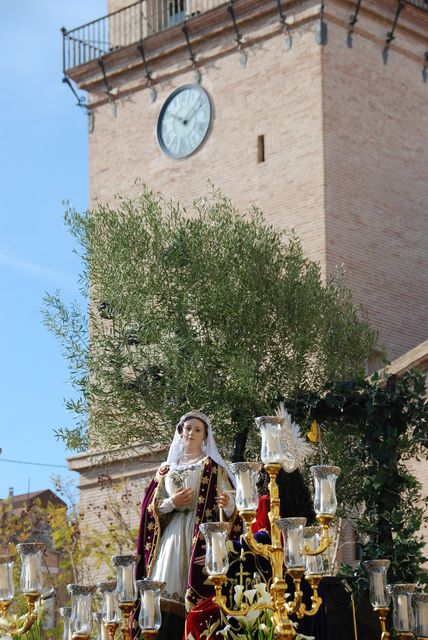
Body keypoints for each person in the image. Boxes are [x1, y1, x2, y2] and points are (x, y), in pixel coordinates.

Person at [135, 410, 241, 637]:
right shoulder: (166, 469)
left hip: (199, 536)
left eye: (197, 429)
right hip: (171, 537)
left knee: (193, 588)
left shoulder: (213, 467)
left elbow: (232, 505)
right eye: (187, 428)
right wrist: (172, 502)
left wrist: (228, 504)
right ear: (180, 432)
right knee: (164, 587)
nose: (191, 433)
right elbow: (150, 508)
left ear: (205, 436)